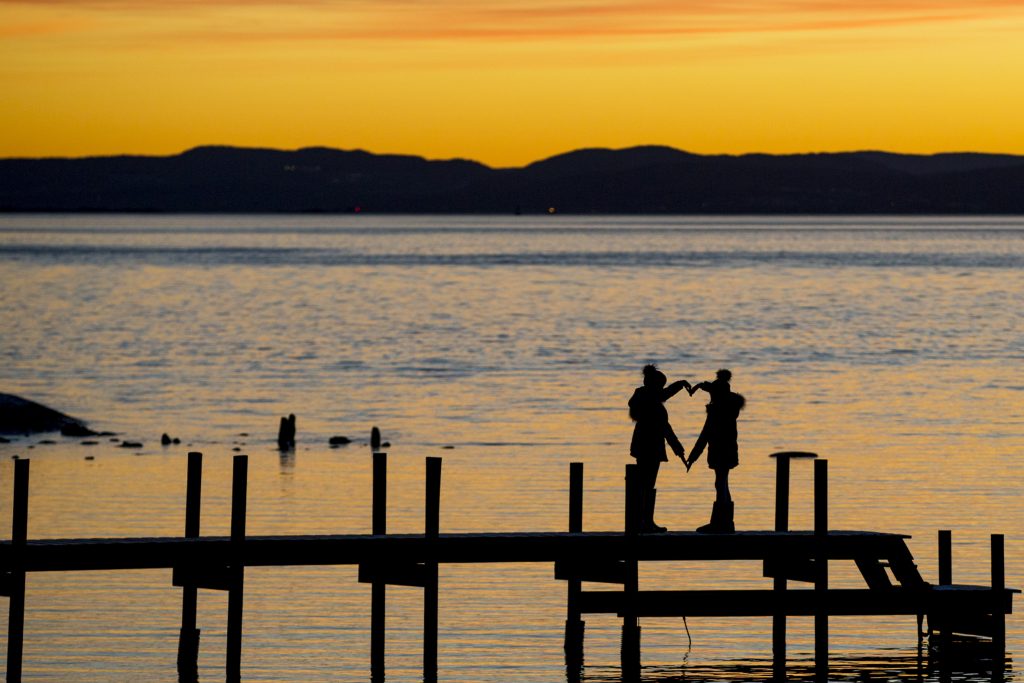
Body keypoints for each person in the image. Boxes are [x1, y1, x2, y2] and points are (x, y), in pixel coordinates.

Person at [628, 364, 690, 533]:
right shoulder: (651, 401)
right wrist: (677, 447)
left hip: (643, 445)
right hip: (650, 446)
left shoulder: (644, 396)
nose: (662, 389)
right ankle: (645, 522)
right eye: (661, 384)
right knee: (647, 483)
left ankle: (643, 521)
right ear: (655, 385)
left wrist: (680, 384)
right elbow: (665, 428)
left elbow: (665, 394)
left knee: (644, 483)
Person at [685, 369, 745, 533]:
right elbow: (710, 387)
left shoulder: (717, 411)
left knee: (720, 483)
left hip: (720, 450)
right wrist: (700, 386)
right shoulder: (730, 408)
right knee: (723, 482)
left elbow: (705, 435)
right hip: (729, 449)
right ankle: (726, 522)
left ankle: (720, 523)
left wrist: (692, 457)